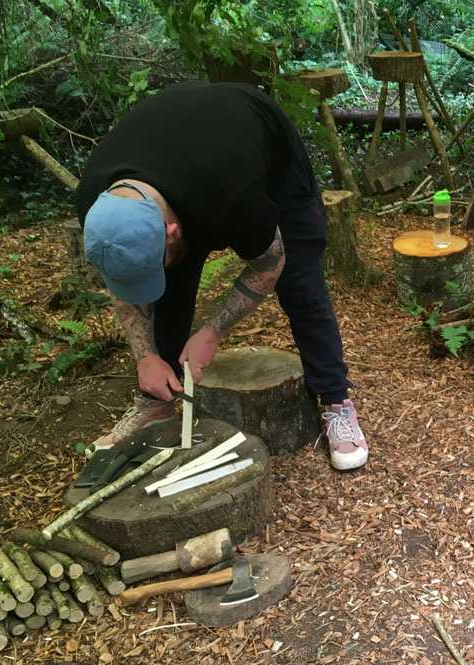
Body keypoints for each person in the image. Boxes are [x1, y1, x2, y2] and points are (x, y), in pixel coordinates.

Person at [76, 81, 368, 471]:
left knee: (301, 284)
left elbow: (270, 264)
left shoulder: (235, 197)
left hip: (264, 153)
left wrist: (212, 333)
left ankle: (336, 399)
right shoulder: (97, 206)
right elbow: (123, 279)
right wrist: (145, 357)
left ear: (172, 231)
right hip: (190, 156)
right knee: (169, 282)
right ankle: (155, 402)